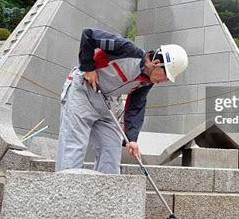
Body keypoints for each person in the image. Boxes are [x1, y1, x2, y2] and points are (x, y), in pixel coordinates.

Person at [55, 28, 188, 174]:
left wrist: (131, 139)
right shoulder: (125, 48)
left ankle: (105, 195)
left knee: (111, 152)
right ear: (156, 63)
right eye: (167, 75)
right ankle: (66, 193)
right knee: (73, 148)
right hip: (83, 93)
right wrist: (88, 68)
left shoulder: (146, 82)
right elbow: (89, 35)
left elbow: (136, 106)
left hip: (108, 105)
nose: (165, 81)